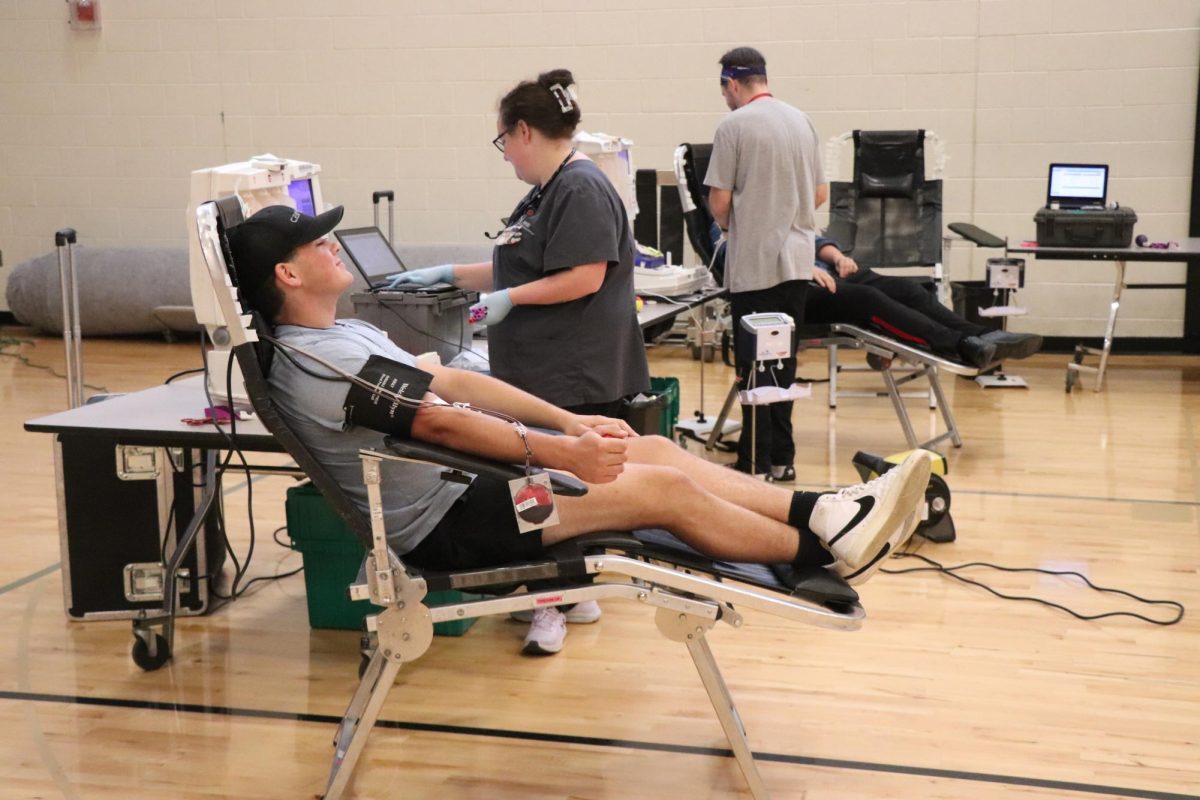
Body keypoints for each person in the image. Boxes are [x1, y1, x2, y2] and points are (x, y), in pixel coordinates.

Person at [224, 204, 933, 655]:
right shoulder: (319, 363)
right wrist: (566, 454)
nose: (332, 246)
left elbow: (456, 384)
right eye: (318, 244)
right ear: (287, 274)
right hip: (452, 523)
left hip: (474, 491)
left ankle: (829, 513)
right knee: (661, 490)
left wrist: (573, 423)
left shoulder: (342, 331)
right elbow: (444, 424)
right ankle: (823, 551)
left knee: (647, 447)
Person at [383, 69, 650, 652]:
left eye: (504, 142)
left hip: (571, 372)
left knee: (552, 491)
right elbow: (522, 263)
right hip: (544, 369)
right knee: (551, 486)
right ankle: (572, 593)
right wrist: (451, 274)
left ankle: (551, 603)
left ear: (523, 131)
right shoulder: (548, 189)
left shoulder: (580, 187)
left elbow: (583, 276)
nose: (505, 156)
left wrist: (506, 301)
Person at [703, 46, 830, 483]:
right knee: (783, 362)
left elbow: (719, 201)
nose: (726, 98)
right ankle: (782, 458)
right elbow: (819, 194)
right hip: (797, 262)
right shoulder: (802, 120)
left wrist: (735, 224)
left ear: (732, 83)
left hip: (755, 265)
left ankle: (753, 463)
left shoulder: (734, 126)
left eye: (725, 90)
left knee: (754, 364)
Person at [806, 237, 1043, 366]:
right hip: (800, 289)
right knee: (868, 298)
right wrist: (800, 268)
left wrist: (838, 258)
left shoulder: (789, 206)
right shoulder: (768, 214)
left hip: (833, 274)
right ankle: (960, 345)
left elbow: (816, 241)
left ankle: (982, 335)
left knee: (907, 289)